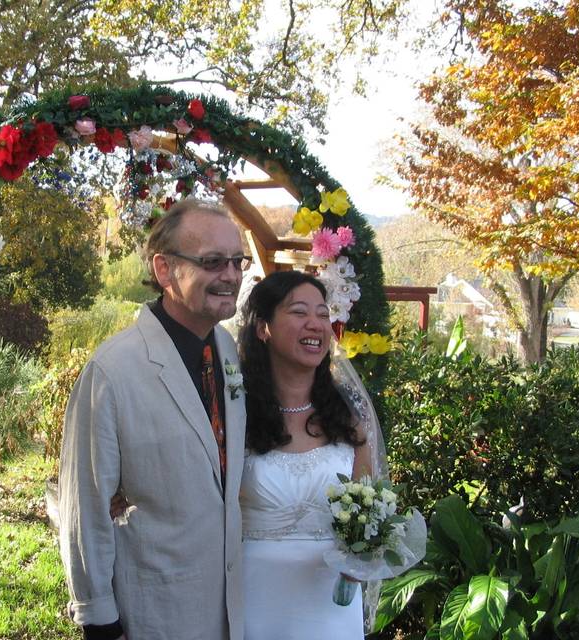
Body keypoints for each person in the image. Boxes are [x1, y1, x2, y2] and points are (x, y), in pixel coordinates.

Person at [58, 198, 248, 640]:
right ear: (164, 270)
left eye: (237, 261)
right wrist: (98, 618)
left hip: (232, 607)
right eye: (213, 262)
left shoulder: (229, 352)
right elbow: (84, 503)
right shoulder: (114, 370)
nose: (232, 276)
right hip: (155, 611)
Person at [237, 270, 386, 639]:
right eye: (299, 312)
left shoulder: (350, 418)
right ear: (263, 328)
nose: (316, 325)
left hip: (331, 606)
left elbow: (371, 505)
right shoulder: (235, 413)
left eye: (323, 314)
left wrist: (364, 553)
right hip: (253, 599)